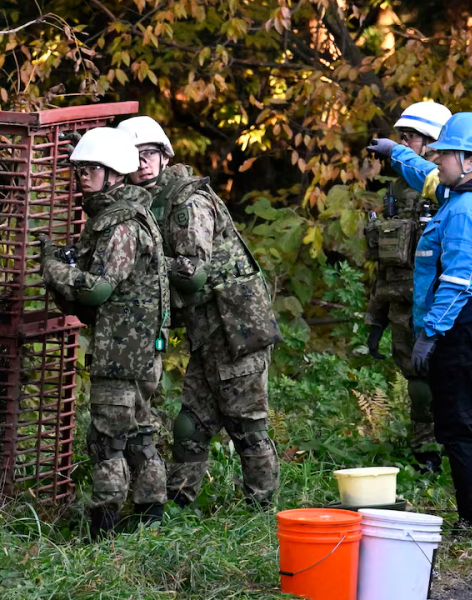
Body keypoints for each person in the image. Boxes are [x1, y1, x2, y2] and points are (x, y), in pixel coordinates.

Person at [118, 115, 281, 508]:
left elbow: (193, 274)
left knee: (246, 424)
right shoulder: (146, 202)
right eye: (134, 156)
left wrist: (142, 261)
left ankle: (262, 508)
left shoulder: (186, 201)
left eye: (149, 153)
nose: (143, 162)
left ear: (164, 156)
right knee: (191, 425)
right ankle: (180, 503)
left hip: (235, 325)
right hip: (207, 329)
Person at [369, 112, 472, 535]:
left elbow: (458, 281)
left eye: (446, 153)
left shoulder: (466, 210)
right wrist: (396, 154)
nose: (437, 158)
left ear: (471, 160)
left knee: (460, 430)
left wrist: (430, 334)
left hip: (463, 331)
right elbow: (426, 174)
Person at [38, 126, 169, 538]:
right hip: (139, 348)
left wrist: (53, 268)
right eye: (80, 170)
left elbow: (98, 290)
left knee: (108, 441)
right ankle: (149, 523)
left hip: (122, 353)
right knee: (139, 434)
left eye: (92, 169)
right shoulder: (126, 214)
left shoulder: (120, 224)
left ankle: (103, 534)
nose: (83, 177)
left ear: (114, 173)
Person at [363, 101, 452, 473]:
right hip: (402, 305)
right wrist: (376, 319)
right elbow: (388, 262)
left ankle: (458, 447)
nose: (402, 144)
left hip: (442, 305)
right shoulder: (398, 191)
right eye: (400, 137)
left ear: (433, 142)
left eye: (410, 137)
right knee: (417, 382)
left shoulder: (446, 187)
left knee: (448, 381)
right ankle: (425, 452)